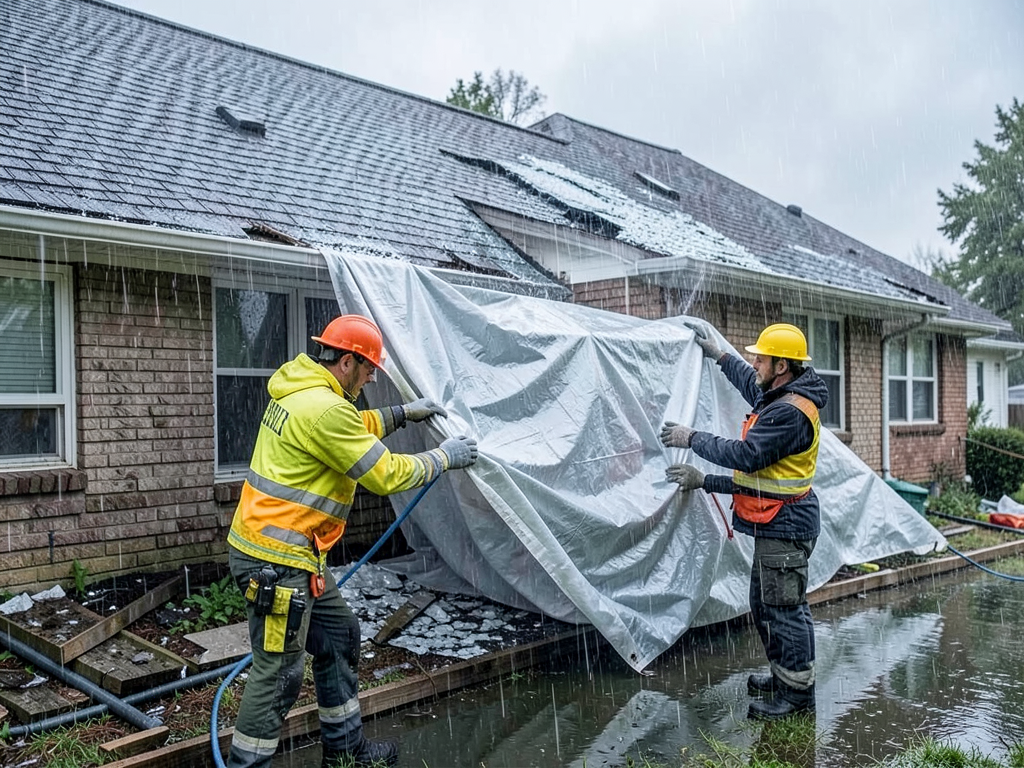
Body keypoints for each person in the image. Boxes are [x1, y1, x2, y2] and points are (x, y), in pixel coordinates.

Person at [224, 314, 478, 768]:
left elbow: (349, 426)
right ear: (346, 362)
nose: (371, 376)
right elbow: (385, 474)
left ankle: (345, 750)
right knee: (279, 673)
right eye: (368, 368)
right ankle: (246, 765)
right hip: (277, 561)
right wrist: (444, 457)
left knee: (340, 635)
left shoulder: (305, 391)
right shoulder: (325, 409)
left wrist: (402, 415)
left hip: (290, 554)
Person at [660, 322, 827, 720]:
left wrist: (692, 438)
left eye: (761, 358)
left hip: (786, 525)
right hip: (778, 522)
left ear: (782, 365)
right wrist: (721, 357)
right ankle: (783, 677)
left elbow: (746, 457)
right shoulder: (782, 395)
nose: (754, 363)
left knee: (784, 610)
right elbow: (750, 386)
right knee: (767, 605)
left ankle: (797, 697)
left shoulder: (787, 412)